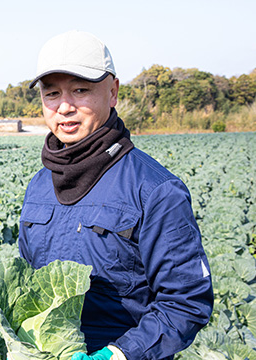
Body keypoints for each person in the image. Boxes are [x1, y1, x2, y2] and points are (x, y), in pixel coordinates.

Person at [18, 31, 213, 360]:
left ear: (113, 92)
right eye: (52, 93)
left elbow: (186, 303)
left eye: (81, 90)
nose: (64, 107)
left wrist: (119, 354)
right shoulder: (39, 185)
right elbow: (27, 286)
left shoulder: (156, 190)